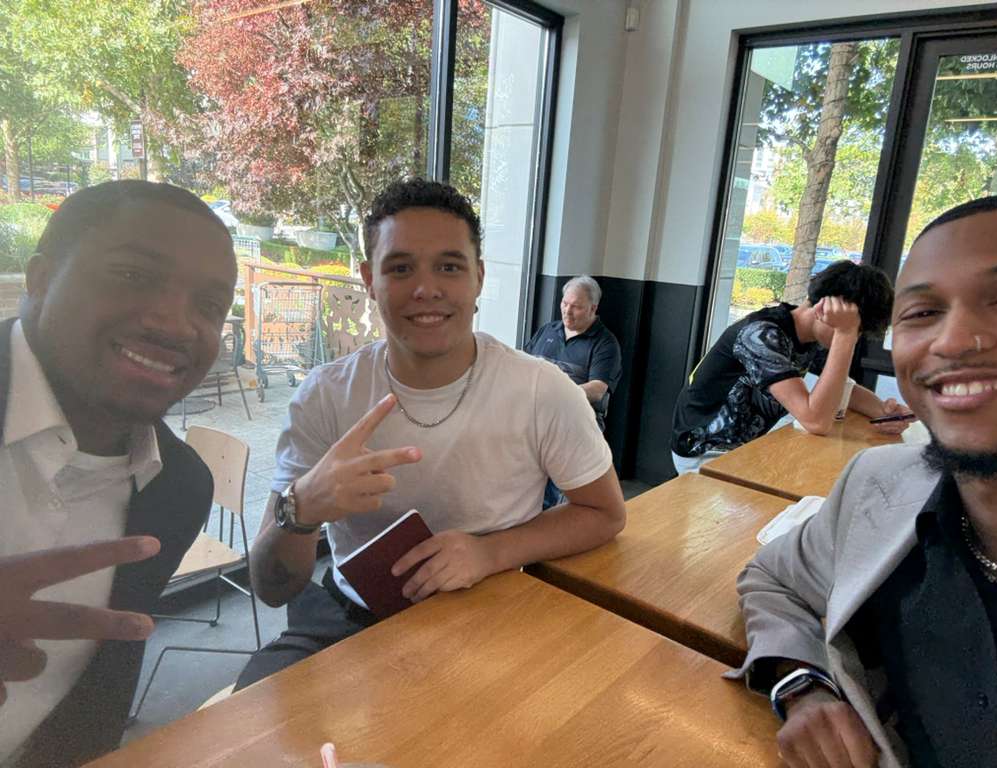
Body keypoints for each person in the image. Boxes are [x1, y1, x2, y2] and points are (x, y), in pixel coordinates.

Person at [238, 179, 625, 687]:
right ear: (369, 280)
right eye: (400, 268)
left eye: (449, 266)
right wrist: (302, 508)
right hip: (347, 620)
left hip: (491, 617)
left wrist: (489, 552)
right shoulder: (325, 395)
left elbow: (604, 513)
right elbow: (271, 587)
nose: (426, 288)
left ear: (479, 277)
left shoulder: (541, 390)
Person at [731, 195, 997, 768]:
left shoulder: (809, 352)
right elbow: (816, 416)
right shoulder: (762, 334)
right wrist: (800, 682)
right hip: (710, 453)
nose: (954, 341)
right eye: (923, 313)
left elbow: (836, 396)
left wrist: (886, 404)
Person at [0, 180, 237, 767]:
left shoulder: (178, 489)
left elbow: (96, 698)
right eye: (134, 275)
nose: (176, 325)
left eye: (208, 305)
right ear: (41, 278)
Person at [670, 260, 911, 475]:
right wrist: (844, 334)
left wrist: (883, 412)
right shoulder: (761, 335)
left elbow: (842, 388)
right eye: (856, 330)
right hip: (705, 452)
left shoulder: (808, 335)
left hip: (743, 449)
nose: (855, 339)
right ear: (826, 309)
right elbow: (816, 421)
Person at [524, 275, 622, 431]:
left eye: (576, 306)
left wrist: (555, 395)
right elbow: (524, 365)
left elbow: (597, 389)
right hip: (536, 416)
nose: (567, 311)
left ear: (593, 308)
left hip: (576, 423)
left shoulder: (605, 343)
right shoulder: (548, 330)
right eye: (564, 303)